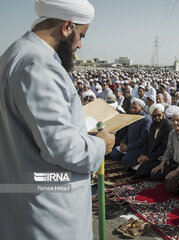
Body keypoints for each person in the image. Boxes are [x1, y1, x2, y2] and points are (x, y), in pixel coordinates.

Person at [0, 1, 115, 239]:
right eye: (80, 35)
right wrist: (100, 145)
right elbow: (62, 147)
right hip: (48, 203)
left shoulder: (14, 52)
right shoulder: (38, 63)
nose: (79, 45)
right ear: (67, 27)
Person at [150, 110, 179, 181]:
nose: (175, 123)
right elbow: (168, 150)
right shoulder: (172, 133)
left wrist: (176, 171)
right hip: (173, 163)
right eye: (173, 120)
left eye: (178, 120)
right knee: (154, 175)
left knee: (169, 183)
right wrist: (161, 164)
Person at [132, 104, 172, 179]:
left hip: (160, 156)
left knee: (143, 168)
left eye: (159, 115)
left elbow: (164, 147)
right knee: (132, 162)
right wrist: (143, 154)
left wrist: (149, 158)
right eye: (154, 116)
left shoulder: (168, 126)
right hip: (150, 154)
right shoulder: (153, 125)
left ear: (163, 114)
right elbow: (147, 142)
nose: (157, 118)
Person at [110, 98, 151, 170]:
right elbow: (128, 133)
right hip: (128, 145)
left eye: (135, 108)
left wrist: (128, 147)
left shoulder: (145, 120)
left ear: (141, 108)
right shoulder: (132, 116)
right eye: (131, 108)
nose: (132, 110)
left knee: (125, 161)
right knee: (114, 155)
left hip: (138, 148)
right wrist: (123, 142)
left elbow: (143, 140)